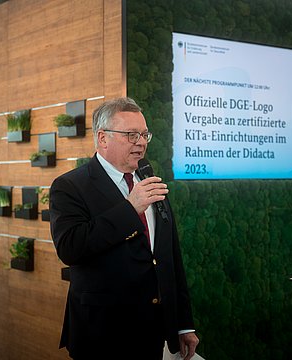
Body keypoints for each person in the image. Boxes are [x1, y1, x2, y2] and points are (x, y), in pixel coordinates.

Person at [50, 97, 199, 360]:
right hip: (102, 335)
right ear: (102, 138)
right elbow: (71, 249)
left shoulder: (148, 179)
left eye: (144, 134)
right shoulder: (70, 186)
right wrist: (130, 210)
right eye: (131, 135)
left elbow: (169, 256)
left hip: (153, 332)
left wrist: (183, 323)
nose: (141, 142)